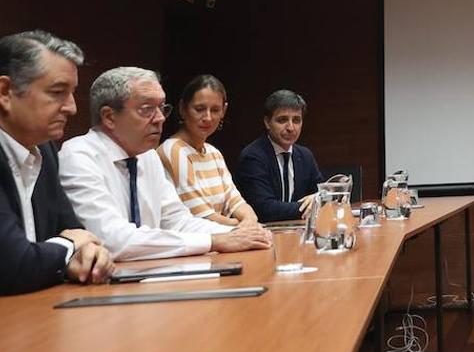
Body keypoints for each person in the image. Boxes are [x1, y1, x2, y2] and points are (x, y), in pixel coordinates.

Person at [59, 67, 271, 261]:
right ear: (109, 116)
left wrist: (242, 234)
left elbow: (178, 221)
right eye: (146, 109)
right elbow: (113, 240)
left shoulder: (147, 156)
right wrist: (215, 241)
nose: (160, 118)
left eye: (161, 108)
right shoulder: (79, 156)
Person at [0, 31, 113, 294]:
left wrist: (91, 253)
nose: (72, 108)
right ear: (5, 92)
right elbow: (12, 265)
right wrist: (69, 247)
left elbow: (75, 231)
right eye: (58, 92)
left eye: (72, 93)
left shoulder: (45, 149)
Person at [156, 75, 258, 226]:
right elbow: (200, 216)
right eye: (199, 109)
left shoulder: (213, 153)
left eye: (215, 110)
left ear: (224, 110)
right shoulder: (173, 149)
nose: (208, 117)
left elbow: (235, 200)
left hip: (224, 237)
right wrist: (242, 226)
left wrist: (250, 220)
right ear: (182, 109)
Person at [236, 90, 324, 222]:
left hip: (297, 232)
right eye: (282, 120)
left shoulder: (305, 155)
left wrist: (319, 197)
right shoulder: (253, 156)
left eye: (296, 120)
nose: (290, 127)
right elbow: (265, 208)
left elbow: (322, 192)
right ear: (267, 122)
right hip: (263, 233)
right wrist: (314, 205)